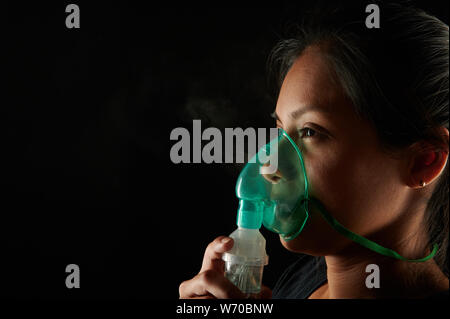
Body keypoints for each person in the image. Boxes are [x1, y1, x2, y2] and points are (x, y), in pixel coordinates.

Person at [179, 1, 449, 299]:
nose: (269, 167)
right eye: (282, 131)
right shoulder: (298, 282)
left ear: (425, 161)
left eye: (310, 132)